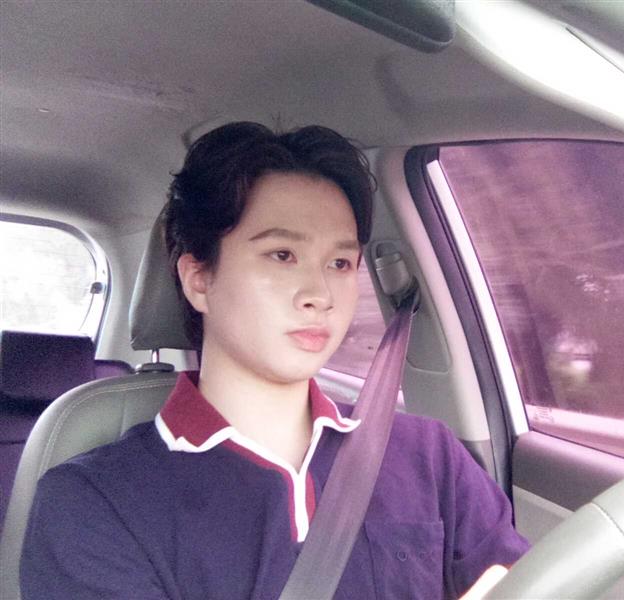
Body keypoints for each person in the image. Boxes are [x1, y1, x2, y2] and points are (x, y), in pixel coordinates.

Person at [20, 122, 530, 599]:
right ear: (199, 279)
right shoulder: (93, 503)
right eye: (282, 255)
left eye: (339, 263)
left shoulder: (430, 457)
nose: (320, 294)